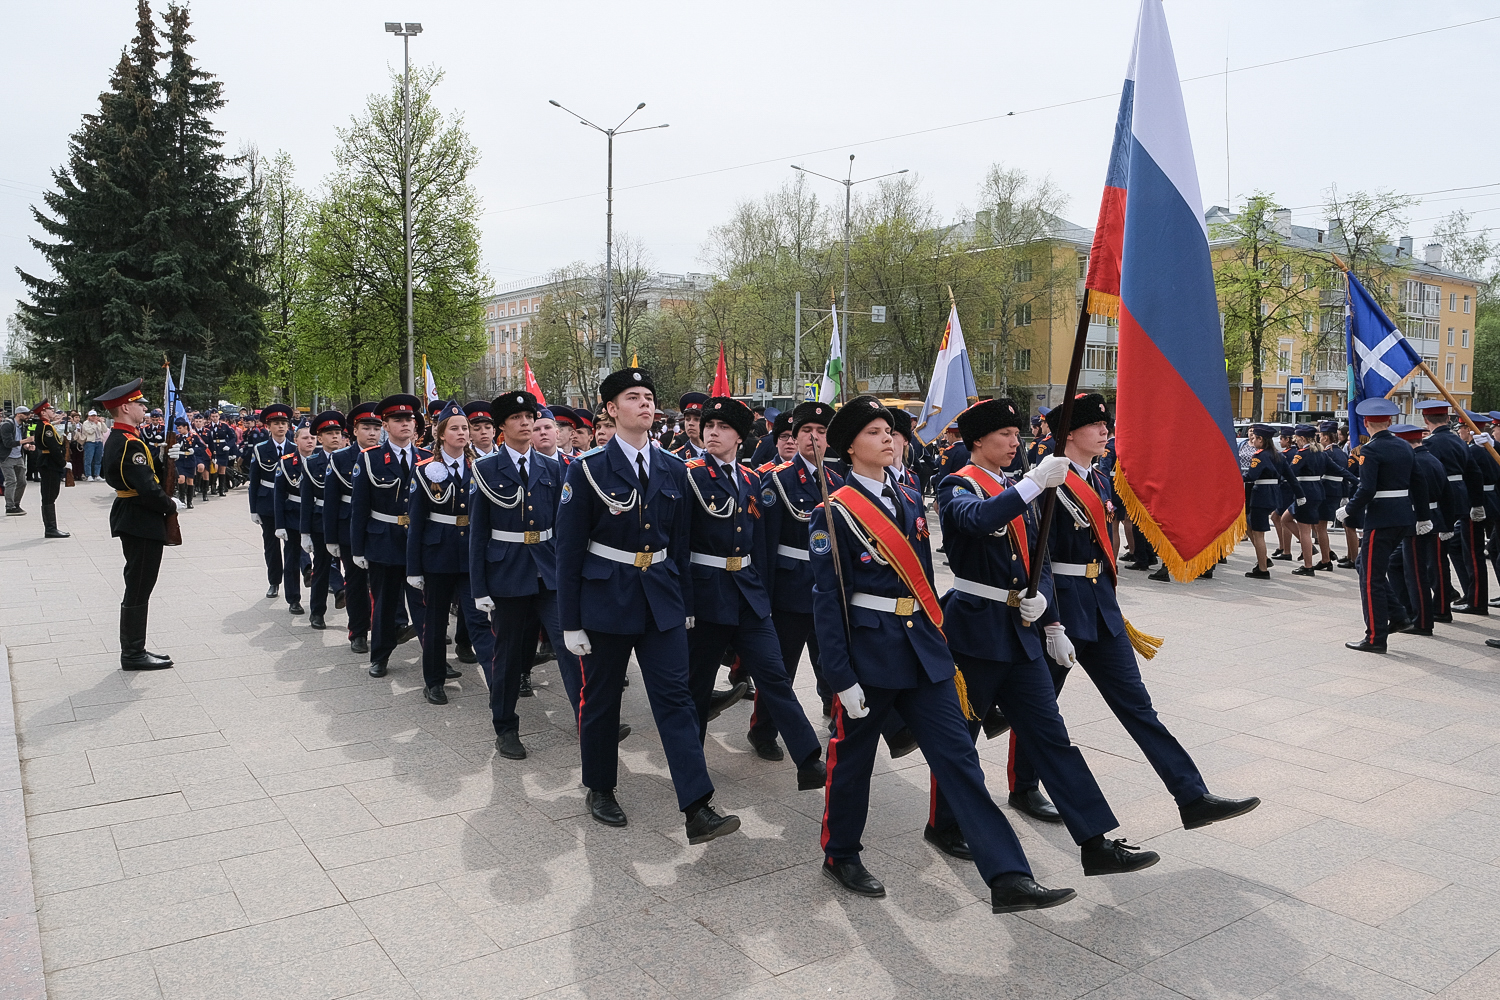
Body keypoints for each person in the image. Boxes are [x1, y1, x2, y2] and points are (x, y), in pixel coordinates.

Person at [810, 395, 1076, 912]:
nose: (887, 437)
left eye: (889, 430)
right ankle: (840, 852)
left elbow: (925, 580)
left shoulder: (908, 497)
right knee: (853, 761)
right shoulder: (835, 511)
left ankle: (1008, 876)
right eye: (873, 432)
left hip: (924, 652)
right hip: (871, 652)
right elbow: (828, 600)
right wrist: (839, 676)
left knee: (959, 759)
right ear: (849, 447)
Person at [927, 396, 1159, 876]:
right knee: (962, 737)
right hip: (976, 631)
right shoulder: (956, 485)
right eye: (1005, 436)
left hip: (1024, 631)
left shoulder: (1021, 488)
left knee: (1052, 737)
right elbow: (976, 520)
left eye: (1017, 436)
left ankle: (1095, 841)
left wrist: (1051, 619)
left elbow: (1040, 560)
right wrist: (1033, 485)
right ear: (977, 441)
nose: (1016, 443)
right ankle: (944, 823)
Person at [1014, 393, 1260, 830]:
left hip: (1102, 612)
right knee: (1040, 708)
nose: (1105, 431)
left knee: (1138, 708)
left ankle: (1192, 795)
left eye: (1105, 425)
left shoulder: (1101, 480)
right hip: (1063, 610)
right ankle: (1024, 785)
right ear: (1069, 433)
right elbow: (1039, 558)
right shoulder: (1046, 481)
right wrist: (1051, 622)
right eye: (1095, 425)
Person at [555, 367, 741, 844]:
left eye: (649, 397)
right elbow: (569, 550)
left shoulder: (673, 468)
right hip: (605, 599)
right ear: (611, 410)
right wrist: (570, 622)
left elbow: (680, 548)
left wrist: (686, 605)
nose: (644, 404)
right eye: (633, 397)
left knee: (677, 700)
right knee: (601, 700)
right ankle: (600, 786)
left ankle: (697, 806)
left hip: (660, 600)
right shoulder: (588, 468)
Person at [681, 396, 827, 789]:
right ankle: (693, 771)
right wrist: (684, 603)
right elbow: (678, 545)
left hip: (747, 594)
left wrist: (762, 593)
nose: (713, 432)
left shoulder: (749, 480)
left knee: (775, 675)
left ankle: (809, 758)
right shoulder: (690, 475)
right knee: (696, 686)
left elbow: (760, 544)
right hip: (707, 596)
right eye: (709, 426)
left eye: (723, 428)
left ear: (740, 438)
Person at [470, 390, 587, 758]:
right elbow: (477, 533)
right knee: (506, 654)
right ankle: (505, 726)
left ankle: (588, 720)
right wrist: (479, 587)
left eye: (530, 417)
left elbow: (565, 527)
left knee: (570, 647)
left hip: (548, 570)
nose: (526, 423)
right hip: (506, 571)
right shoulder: (486, 469)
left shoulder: (553, 467)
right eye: (518, 419)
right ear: (502, 426)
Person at [407, 400, 496, 706]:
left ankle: (497, 681)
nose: (462, 433)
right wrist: (413, 568)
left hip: (471, 554)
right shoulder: (425, 470)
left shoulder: (480, 468)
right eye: (455, 428)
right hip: (437, 556)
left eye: (465, 428)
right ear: (440, 433)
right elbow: (416, 522)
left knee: (480, 621)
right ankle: (434, 681)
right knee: (435, 622)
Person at [758, 401, 840, 723]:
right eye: (806, 431)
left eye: (821, 432)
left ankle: (834, 712)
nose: (813, 438)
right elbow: (765, 544)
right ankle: (763, 729)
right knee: (781, 667)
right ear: (795, 435)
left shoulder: (837, 482)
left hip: (828, 590)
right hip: (790, 590)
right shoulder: (779, 481)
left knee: (832, 661)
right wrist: (763, 597)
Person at [96, 378, 185, 670]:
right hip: (140, 517)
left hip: (135, 514)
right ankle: (133, 653)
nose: (143, 407)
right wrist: (170, 505)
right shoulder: (127, 442)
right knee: (138, 586)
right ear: (125, 407)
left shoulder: (125, 438)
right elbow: (145, 487)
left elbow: (144, 472)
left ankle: (136, 648)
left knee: (140, 584)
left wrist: (162, 457)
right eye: (138, 403)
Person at [351, 394, 431, 678]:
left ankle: (433, 658)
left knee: (424, 604)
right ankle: (380, 656)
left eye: (409, 419)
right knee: (385, 604)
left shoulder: (427, 459)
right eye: (398, 420)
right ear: (385, 424)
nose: (406, 424)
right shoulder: (370, 459)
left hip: (418, 542)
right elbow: (359, 508)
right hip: (383, 540)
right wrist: (358, 549)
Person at [1339, 398, 1419, 653]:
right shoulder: (1405, 447)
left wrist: (1349, 509)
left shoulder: (1371, 450)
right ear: (1390, 422)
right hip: (1403, 517)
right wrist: (1423, 515)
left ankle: (1375, 637)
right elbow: (1418, 483)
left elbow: (1367, 488)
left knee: (1370, 578)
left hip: (1381, 518)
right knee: (1364, 565)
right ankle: (1398, 615)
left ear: (1365, 423)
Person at [323, 402, 382, 654]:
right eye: (366, 427)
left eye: (376, 428)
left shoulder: (385, 454)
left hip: (380, 527)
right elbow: (331, 501)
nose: (372, 433)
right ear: (354, 430)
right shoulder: (340, 458)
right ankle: (358, 631)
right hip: (349, 528)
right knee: (356, 582)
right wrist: (330, 538)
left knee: (383, 582)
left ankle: (386, 628)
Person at [1386, 424, 1440, 636]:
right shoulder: (1431, 459)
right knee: (1395, 563)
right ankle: (1407, 611)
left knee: (1416, 574)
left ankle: (1423, 622)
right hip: (1424, 520)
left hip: (1417, 521)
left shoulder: (1416, 462)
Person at [300, 410, 347, 630]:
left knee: (354, 571)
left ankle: (358, 618)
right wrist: (305, 532)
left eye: (338, 432)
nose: (335, 437)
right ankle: (317, 612)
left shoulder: (352, 460)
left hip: (346, 520)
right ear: (320, 438)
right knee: (321, 568)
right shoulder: (312, 463)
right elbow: (306, 500)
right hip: (320, 523)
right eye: (329, 433)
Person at [248, 403, 294, 598]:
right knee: (271, 546)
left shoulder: (294, 448)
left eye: (284, 423)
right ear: (268, 426)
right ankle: (274, 582)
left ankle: (296, 583)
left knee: (292, 545)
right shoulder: (261, 449)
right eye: (276, 423)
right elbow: (254, 480)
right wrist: (253, 509)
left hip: (289, 502)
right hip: (267, 503)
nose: (281, 427)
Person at [1452, 411, 1496, 615]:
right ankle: (1474, 596)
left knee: (1473, 554)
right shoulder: (1487, 449)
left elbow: (1473, 479)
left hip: (1475, 502)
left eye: (1461, 427)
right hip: (1491, 500)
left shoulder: (1473, 451)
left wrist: (1474, 504)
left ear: (1469, 429)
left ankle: (1477, 601)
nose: (1459, 431)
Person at [272, 422, 316, 615]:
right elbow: (279, 496)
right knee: (291, 558)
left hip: (317, 514)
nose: (310, 441)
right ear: (295, 440)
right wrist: (279, 524)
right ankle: (294, 599)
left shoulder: (323, 460)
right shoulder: (287, 461)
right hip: (294, 515)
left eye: (313, 438)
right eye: (305, 438)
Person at [1242, 424, 1283, 579]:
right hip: (1272, 495)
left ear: (1261, 439)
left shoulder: (1260, 456)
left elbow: (1251, 476)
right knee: (1250, 525)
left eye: (1255, 438)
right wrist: (1300, 495)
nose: (1253, 440)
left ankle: (1263, 568)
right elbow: (1289, 475)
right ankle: (1263, 560)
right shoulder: (1277, 455)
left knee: (1258, 534)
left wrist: (1234, 478)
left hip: (1260, 497)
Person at [1283, 424, 1323, 577]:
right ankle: (1309, 549)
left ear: (1303, 438)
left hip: (1305, 494)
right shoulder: (1320, 453)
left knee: (1304, 531)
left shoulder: (1303, 454)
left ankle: (1308, 566)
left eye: (1297, 439)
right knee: (1285, 519)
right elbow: (1336, 469)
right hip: (1316, 492)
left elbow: (1290, 472)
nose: (1296, 442)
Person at [32, 400, 71, 538]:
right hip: (49, 463)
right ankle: (50, 528)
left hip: (48, 462)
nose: (52, 411)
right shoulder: (46, 427)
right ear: (43, 412)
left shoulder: (46, 425)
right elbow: (53, 448)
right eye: (49, 409)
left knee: (50, 495)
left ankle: (51, 527)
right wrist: (63, 463)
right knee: (49, 496)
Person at [2, 406, 31, 514]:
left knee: (22, 482)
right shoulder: (7, 425)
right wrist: (25, 441)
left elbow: (22, 441)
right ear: (19, 414)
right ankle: (9, 507)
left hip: (18, 456)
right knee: (11, 481)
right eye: (26, 414)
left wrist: (27, 445)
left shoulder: (22, 426)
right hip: (7, 457)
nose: (28, 416)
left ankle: (16, 504)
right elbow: (8, 443)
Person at [672, 392, 708, 459]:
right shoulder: (677, 457)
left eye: (697, 419)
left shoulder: (718, 455)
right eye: (688, 419)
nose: (690, 423)